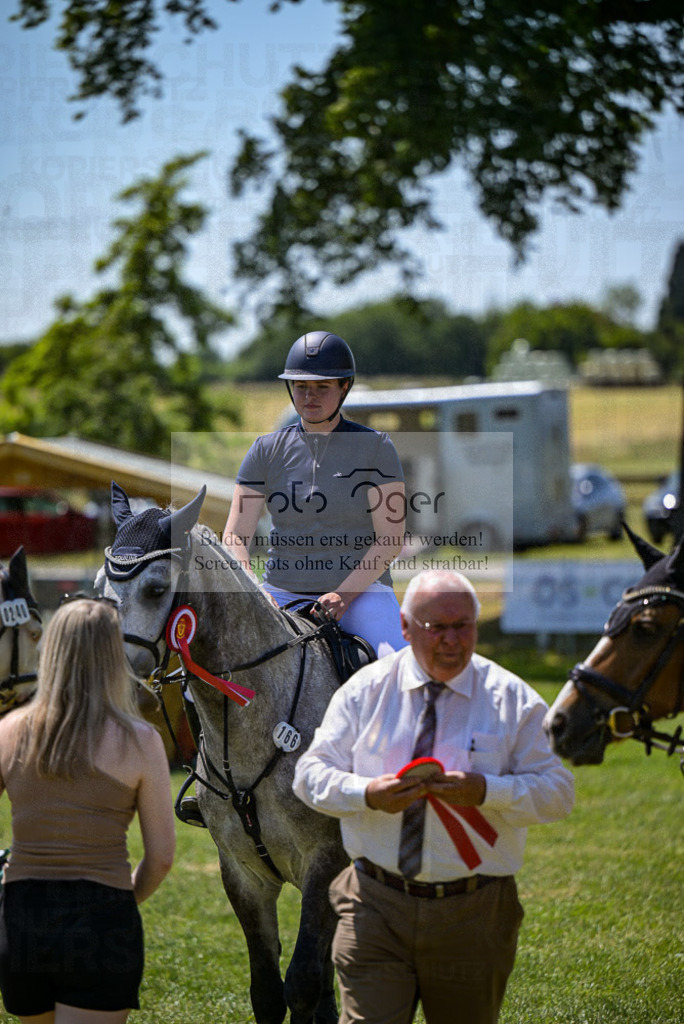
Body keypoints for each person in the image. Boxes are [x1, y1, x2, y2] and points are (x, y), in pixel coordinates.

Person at [293, 569, 575, 1024]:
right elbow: (308, 776)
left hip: (475, 911)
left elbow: (559, 793)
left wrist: (488, 791)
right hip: (374, 905)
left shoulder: (511, 699)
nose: (451, 639)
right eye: (436, 627)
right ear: (404, 628)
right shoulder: (365, 692)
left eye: (462, 625)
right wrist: (366, 793)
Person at [0, 597, 176, 1024]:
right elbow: (162, 857)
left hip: (21, 918)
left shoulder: (8, 730)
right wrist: (119, 900)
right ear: (114, 657)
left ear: (51, 652)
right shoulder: (140, 740)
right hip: (102, 919)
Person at [223, 329, 408, 657]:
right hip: (280, 592)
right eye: (301, 386)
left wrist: (344, 595)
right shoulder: (264, 450)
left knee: (397, 667)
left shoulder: (376, 447)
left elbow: (391, 537)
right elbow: (235, 534)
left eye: (322, 387)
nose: (310, 396)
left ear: (344, 387)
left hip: (362, 595)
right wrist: (254, 589)